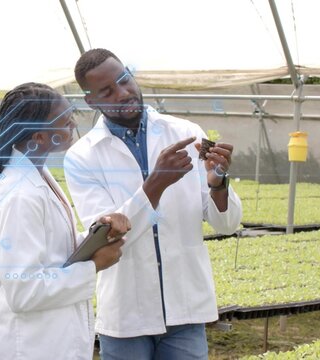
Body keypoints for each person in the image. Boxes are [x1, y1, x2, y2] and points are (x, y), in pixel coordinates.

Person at [64, 49, 243, 360]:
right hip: (126, 315)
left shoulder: (185, 133)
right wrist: (156, 183)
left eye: (124, 80)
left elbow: (226, 224)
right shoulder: (82, 157)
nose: (123, 93)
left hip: (186, 308)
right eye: (107, 90)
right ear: (91, 101)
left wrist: (218, 183)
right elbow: (107, 238)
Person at [0, 82, 131, 360]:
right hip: (29, 346)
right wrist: (94, 266)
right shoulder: (21, 195)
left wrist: (95, 234)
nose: (73, 127)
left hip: (48, 339)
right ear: (41, 137)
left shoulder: (38, 176)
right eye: (66, 122)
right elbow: (24, 291)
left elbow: (51, 249)